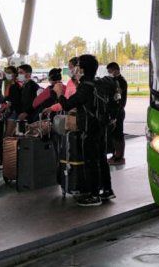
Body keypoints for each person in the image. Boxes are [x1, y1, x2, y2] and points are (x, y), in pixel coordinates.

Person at [47, 54, 113, 207]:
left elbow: (68, 104)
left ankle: (93, 195)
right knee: (101, 159)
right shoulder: (98, 83)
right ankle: (107, 190)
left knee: (90, 161)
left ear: (81, 69)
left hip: (89, 128)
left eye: (77, 67)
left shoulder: (86, 86)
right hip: (101, 126)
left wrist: (59, 93)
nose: (75, 70)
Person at [106, 62, 128, 166]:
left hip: (118, 110)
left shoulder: (120, 81)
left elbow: (118, 99)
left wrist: (115, 114)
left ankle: (120, 157)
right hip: (114, 110)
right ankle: (115, 154)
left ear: (115, 70)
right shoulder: (114, 80)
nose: (109, 73)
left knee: (119, 134)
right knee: (114, 135)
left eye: (110, 71)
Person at [16, 64, 40, 132]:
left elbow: (36, 102)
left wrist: (26, 113)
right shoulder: (25, 85)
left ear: (28, 74)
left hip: (31, 116)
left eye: (21, 72)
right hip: (24, 115)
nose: (19, 75)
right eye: (18, 73)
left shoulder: (33, 86)